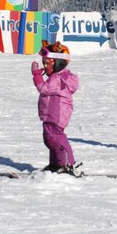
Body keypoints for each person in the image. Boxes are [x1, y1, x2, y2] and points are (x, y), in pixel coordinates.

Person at [31, 40, 80, 175]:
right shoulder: (56, 77)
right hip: (51, 114)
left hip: (57, 114)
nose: (45, 66)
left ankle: (67, 164)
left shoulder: (58, 78)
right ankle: (55, 163)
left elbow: (44, 89)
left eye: (47, 63)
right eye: (44, 63)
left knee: (55, 138)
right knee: (50, 139)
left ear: (58, 63)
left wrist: (36, 75)